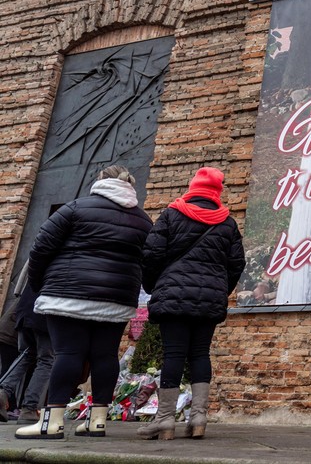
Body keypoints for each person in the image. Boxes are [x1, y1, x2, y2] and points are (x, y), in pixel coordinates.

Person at [15, 165, 153, 439]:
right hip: (116, 299)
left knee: (68, 354)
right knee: (105, 355)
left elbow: (40, 248)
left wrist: (41, 284)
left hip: (68, 295)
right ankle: (97, 421)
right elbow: (149, 260)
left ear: (99, 181)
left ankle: (51, 423)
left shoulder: (75, 208)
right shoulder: (143, 220)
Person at [138, 166, 245, 441]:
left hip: (173, 294)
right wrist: (220, 289)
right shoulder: (227, 223)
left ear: (193, 187)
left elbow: (151, 254)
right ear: (217, 192)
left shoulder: (172, 214)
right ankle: (198, 417)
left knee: (173, 355)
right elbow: (236, 264)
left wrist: (154, 285)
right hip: (209, 299)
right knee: (200, 353)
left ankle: (164, 420)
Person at [0, 263, 53, 425]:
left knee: (26, 353)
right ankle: (29, 409)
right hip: (46, 309)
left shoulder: (44, 247)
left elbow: (21, 286)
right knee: (46, 359)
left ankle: (2, 391)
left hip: (24, 306)